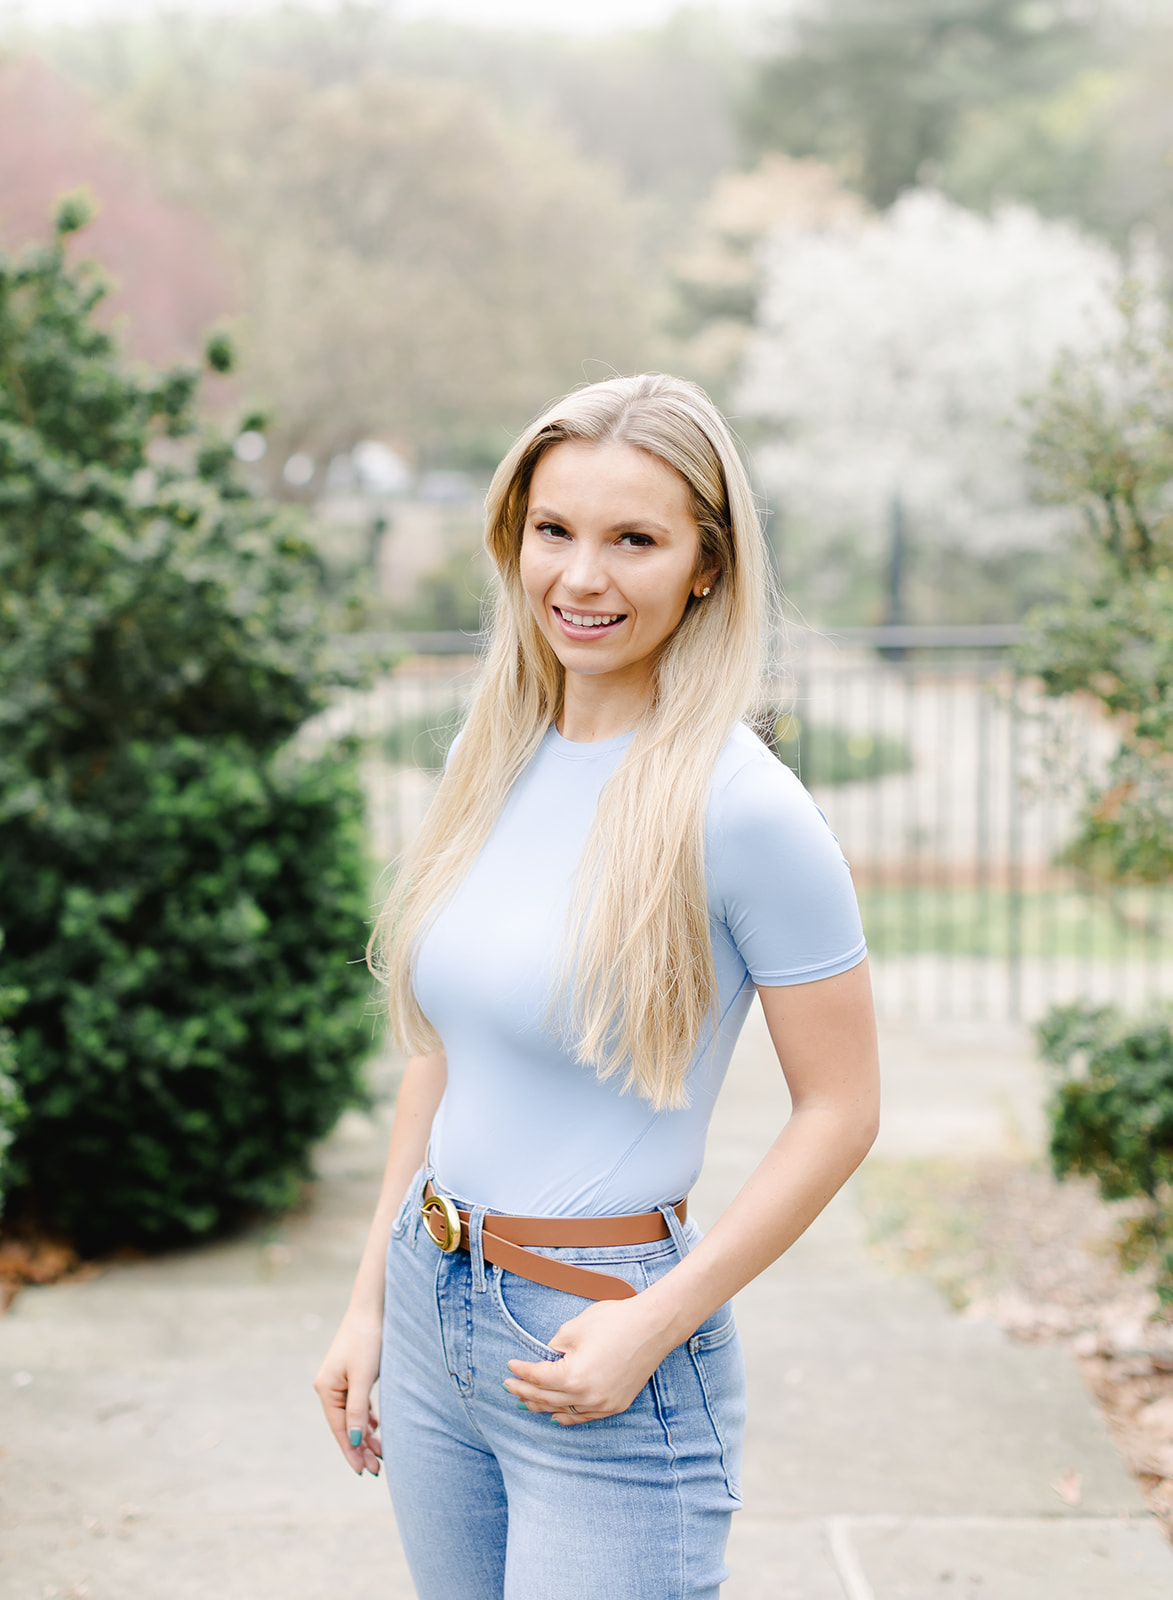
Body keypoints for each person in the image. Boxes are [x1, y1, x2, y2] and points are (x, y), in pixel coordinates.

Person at [314, 374, 880, 1600]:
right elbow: (445, 1058)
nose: (582, 577)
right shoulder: (491, 751)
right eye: (554, 531)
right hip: (434, 1300)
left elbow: (841, 1108)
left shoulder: (746, 810)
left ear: (707, 567)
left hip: (600, 1341)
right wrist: (371, 1299)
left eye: (635, 539)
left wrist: (659, 1318)